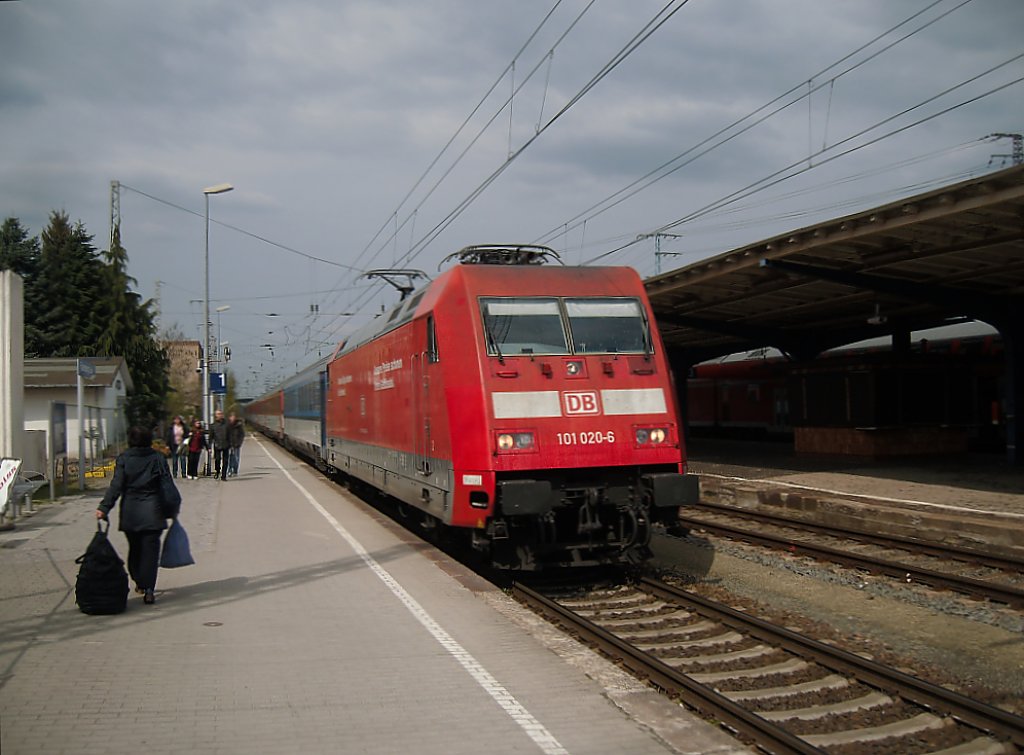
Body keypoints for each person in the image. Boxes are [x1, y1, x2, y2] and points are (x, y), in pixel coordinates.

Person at [95, 425, 181, 605]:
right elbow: (167, 485)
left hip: (131, 512)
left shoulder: (124, 459)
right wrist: (172, 508)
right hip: (153, 512)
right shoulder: (158, 458)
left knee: (135, 550)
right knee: (150, 552)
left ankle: (139, 581)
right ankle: (149, 589)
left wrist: (104, 507)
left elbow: (116, 486)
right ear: (149, 439)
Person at [210, 409, 230, 481]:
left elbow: (229, 435)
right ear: (215, 415)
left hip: (226, 445)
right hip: (217, 445)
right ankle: (218, 471)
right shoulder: (213, 425)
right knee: (217, 459)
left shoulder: (227, 424)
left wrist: (231, 444)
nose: (219, 415)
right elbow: (211, 436)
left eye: (220, 414)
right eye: (218, 414)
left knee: (225, 461)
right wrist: (209, 447)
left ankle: (223, 476)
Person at [227, 413, 245, 477]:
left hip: (236, 444)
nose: (233, 418)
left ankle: (235, 470)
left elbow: (242, 435)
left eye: (234, 417)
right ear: (229, 418)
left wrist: (239, 443)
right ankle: (229, 470)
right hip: (229, 444)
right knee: (229, 458)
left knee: (236, 458)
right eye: (231, 417)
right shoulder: (227, 425)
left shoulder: (239, 425)